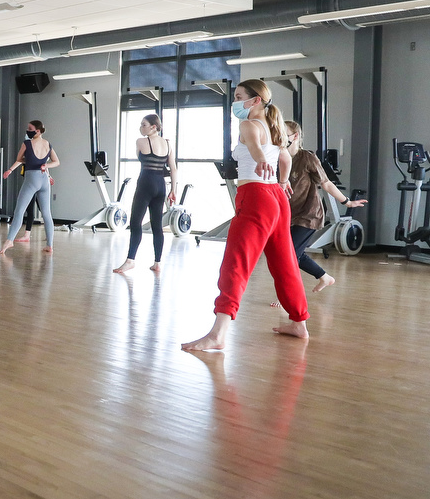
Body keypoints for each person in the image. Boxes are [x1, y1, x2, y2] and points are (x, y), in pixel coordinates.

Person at [182, 79, 308, 350]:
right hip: (275, 196)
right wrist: (282, 181)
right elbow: (285, 159)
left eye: (239, 96)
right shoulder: (275, 127)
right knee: (284, 262)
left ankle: (217, 334)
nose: (235, 102)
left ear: (255, 101)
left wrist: (261, 159)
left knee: (235, 263)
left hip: (256, 197)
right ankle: (299, 322)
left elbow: (253, 145)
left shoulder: (248, 124)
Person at [279, 120, 368, 293]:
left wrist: (347, 202)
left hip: (309, 214)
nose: (279, 138)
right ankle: (325, 277)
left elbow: (326, 183)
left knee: (288, 255)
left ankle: (288, 295)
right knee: (293, 253)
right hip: (289, 214)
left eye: (283, 134)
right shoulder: (278, 157)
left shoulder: (307, 157)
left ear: (295, 136)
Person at [114, 114, 178, 274]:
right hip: (161, 186)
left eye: (143, 125)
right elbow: (173, 168)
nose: (140, 128)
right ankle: (157, 263)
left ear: (153, 127)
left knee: (135, 223)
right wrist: (173, 190)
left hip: (145, 184)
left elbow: (139, 157)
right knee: (157, 226)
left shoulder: (140, 141)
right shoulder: (168, 144)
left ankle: (130, 260)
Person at [0, 121, 60, 255]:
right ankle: (50, 245)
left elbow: (19, 159)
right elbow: (56, 162)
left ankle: (9, 241)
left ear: (37, 131)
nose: (28, 130)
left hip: (32, 180)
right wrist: (46, 167)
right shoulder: (48, 144)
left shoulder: (27, 144)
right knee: (47, 213)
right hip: (44, 180)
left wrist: (10, 170)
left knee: (19, 211)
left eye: (30, 128)